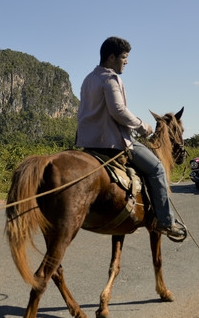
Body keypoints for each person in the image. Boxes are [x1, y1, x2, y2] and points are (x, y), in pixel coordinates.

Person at [76, 36, 186, 241]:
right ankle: (165, 221)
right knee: (156, 169)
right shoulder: (111, 79)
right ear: (111, 57)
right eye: (124, 57)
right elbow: (118, 111)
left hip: (88, 143)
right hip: (112, 142)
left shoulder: (88, 79)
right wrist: (143, 127)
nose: (126, 61)